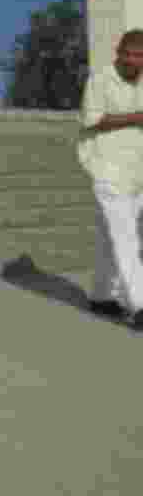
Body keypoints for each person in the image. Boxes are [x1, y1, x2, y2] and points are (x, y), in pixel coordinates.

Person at [77, 29, 143, 327]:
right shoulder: (100, 80)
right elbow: (92, 118)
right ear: (118, 52)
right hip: (108, 169)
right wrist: (135, 117)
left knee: (109, 237)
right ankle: (140, 304)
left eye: (139, 55)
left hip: (137, 172)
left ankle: (101, 296)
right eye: (127, 53)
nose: (132, 60)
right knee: (127, 238)